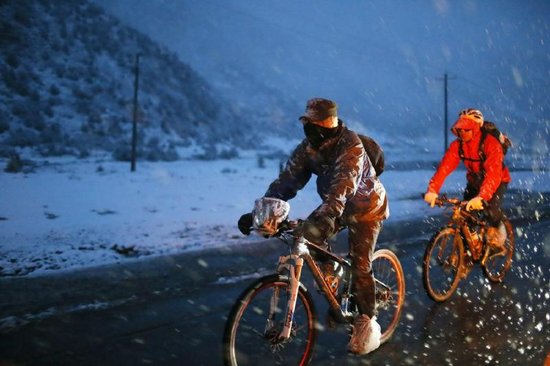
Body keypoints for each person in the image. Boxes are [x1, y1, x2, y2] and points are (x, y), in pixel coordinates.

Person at [238, 97, 389, 355]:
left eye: (321, 123)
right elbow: (287, 181)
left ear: (332, 122)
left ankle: (367, 319)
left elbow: (343, 185)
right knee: (307, 234)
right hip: (335, 205)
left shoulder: (350, 145)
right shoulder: (308, 148)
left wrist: (329, 214)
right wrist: (261, 213)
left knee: (361, 265)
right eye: (310, 123)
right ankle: (331, 273)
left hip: (366, 208)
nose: (315, 128)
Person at [423, 108, 511, 253]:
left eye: (466, 129)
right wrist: (432, 190)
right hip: (475, 181)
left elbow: (493, 174)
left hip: (498, 181)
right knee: (466, 216)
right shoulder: (458, 146)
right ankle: (468, 256)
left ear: (476, 128)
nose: (462, 133)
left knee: (491, 210)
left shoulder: (490, 143)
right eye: (460, 129)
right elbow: (444, 168)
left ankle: (499, 232)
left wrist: (482, 197)